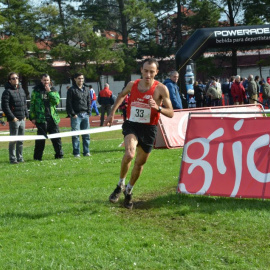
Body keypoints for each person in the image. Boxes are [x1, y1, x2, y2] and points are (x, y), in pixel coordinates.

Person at [105, 58, 174, 209]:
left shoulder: (161, 89)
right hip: (132, 125)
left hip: (149, 129)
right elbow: (121, 95)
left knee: (139, 163)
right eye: (146, 71)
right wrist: (112, 113)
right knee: (130, 154)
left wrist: (158, 108)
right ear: (141, 70)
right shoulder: (133, 85)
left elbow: (171, 113)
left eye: (151, 71)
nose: (148, 74)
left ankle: (129, 190)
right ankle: (120, 185)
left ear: (156, 72)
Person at [29, 74, 64, 161]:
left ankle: (59, 155)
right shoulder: (36, 91)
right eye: (44, 80)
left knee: (56, 139)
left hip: (52, 118)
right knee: (40, 140)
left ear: (50, 80)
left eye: (47, 80)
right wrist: (32, 117)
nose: (46, 82)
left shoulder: (53, 90)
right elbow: (32, 105)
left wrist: (49, 92)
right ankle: (37, 157)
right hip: (41, 119)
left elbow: (56, 101)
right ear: (41, 80)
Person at [1, 72, 28, 164]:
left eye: (17, 78)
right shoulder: (7, 92)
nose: (16, 79)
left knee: (21, 140)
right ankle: (13, 159)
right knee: (13, 140)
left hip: (22, 119)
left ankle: (20, 157)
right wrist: (12, 117)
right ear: (9, 80)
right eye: (13, 78)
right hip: (14, 120)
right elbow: (5, 106)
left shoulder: (21, 90)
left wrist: (26, 115)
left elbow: (24, 103)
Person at [66, 73, 91, 157]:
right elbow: (68, 103)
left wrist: (89, 112)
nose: (81, 80)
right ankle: (76, 153)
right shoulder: (71, 90)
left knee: (86, 134)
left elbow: (89, 101)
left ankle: (86, 151)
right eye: (79, 78)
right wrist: (73, 114)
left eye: (82, 78)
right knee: (75, 135)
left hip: (85, 114)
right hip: (76, 115)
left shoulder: (87, 89)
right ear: (75, 79)